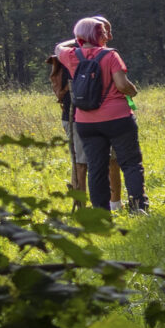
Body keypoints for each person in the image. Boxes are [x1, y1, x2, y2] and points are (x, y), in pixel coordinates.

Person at [58, 16, 146, 215]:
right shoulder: (111, 55)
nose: (107, 36)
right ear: (96, 35)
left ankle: (101, 213)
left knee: (96, 168)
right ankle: (138, 208)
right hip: (118, 119)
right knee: (130, 164)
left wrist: (78, 39)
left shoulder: (71, 56)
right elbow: (122, 85)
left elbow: (58, 47)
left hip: (86, 122)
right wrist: (133, 91)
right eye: (103, 32)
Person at [48, 17, 123, 206]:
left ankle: (115, 205)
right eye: (104, 31)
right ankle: (81, 208)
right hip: (76, 118)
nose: (109, 36)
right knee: (81, 163)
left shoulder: (108, 55)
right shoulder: (72, 55)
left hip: (107, 117)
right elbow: (58, 49)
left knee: (112, 160)